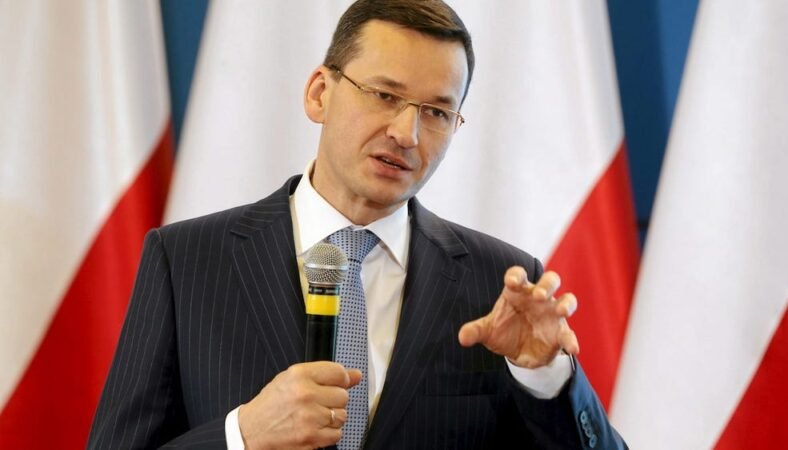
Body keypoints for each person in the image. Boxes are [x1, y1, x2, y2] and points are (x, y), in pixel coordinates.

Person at [88, 0, 627, 448]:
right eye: (385, 95)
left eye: (437, 112)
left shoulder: (499, 284)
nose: (406, 133)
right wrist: (241, 436)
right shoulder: (186, 261)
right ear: (319, 93)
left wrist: (544, 375)